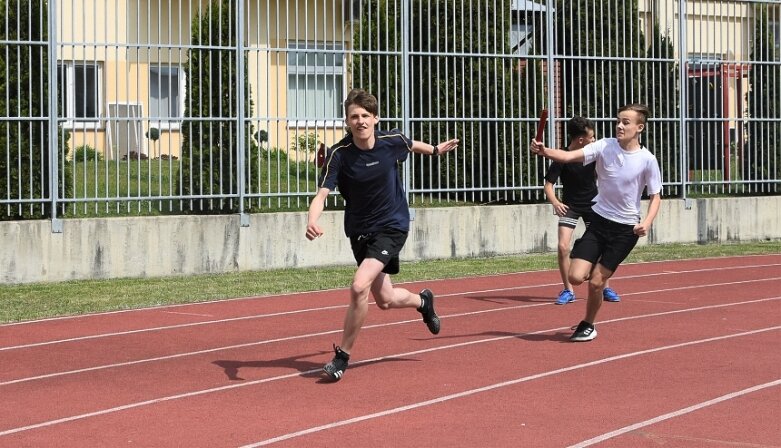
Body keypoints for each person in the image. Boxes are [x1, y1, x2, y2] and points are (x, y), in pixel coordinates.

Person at [306, 88, 459, 380]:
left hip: (392, 225)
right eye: (354, 116)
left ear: (375, 119)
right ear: (347, 121)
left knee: (358, 286)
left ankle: (342, 357)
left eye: (365, 115)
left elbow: (413, 145)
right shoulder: (340, 155)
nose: (360, 121)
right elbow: (322, 194)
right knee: (385, 299)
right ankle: (423, 301)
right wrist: (312, 220)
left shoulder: (392, 141)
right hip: (360, 232)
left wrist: (437, 150)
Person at [531, 103, 662, 341]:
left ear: (639, 127)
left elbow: (655, 196)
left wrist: (648, 222)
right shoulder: (604, 146)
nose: (619, 126)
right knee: (575, 277)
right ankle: (597, 267)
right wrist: (545, 151)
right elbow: (569, 156)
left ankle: (588, 324)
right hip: (600, 221)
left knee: (597, 282)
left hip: (625, 230)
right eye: (618, 121)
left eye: (626, 122)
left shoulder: (647, 160)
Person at [543, 117, 620, 305]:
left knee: (601, 245)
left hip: (594, 206)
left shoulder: (594, 155)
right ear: (580, 140)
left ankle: (605, 286)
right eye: (591, 138)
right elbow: (548, 185)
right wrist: (555, 202)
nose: (594, 141)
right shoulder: (562, 157)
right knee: (562, 246)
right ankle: (568, 290)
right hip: (571, 206)